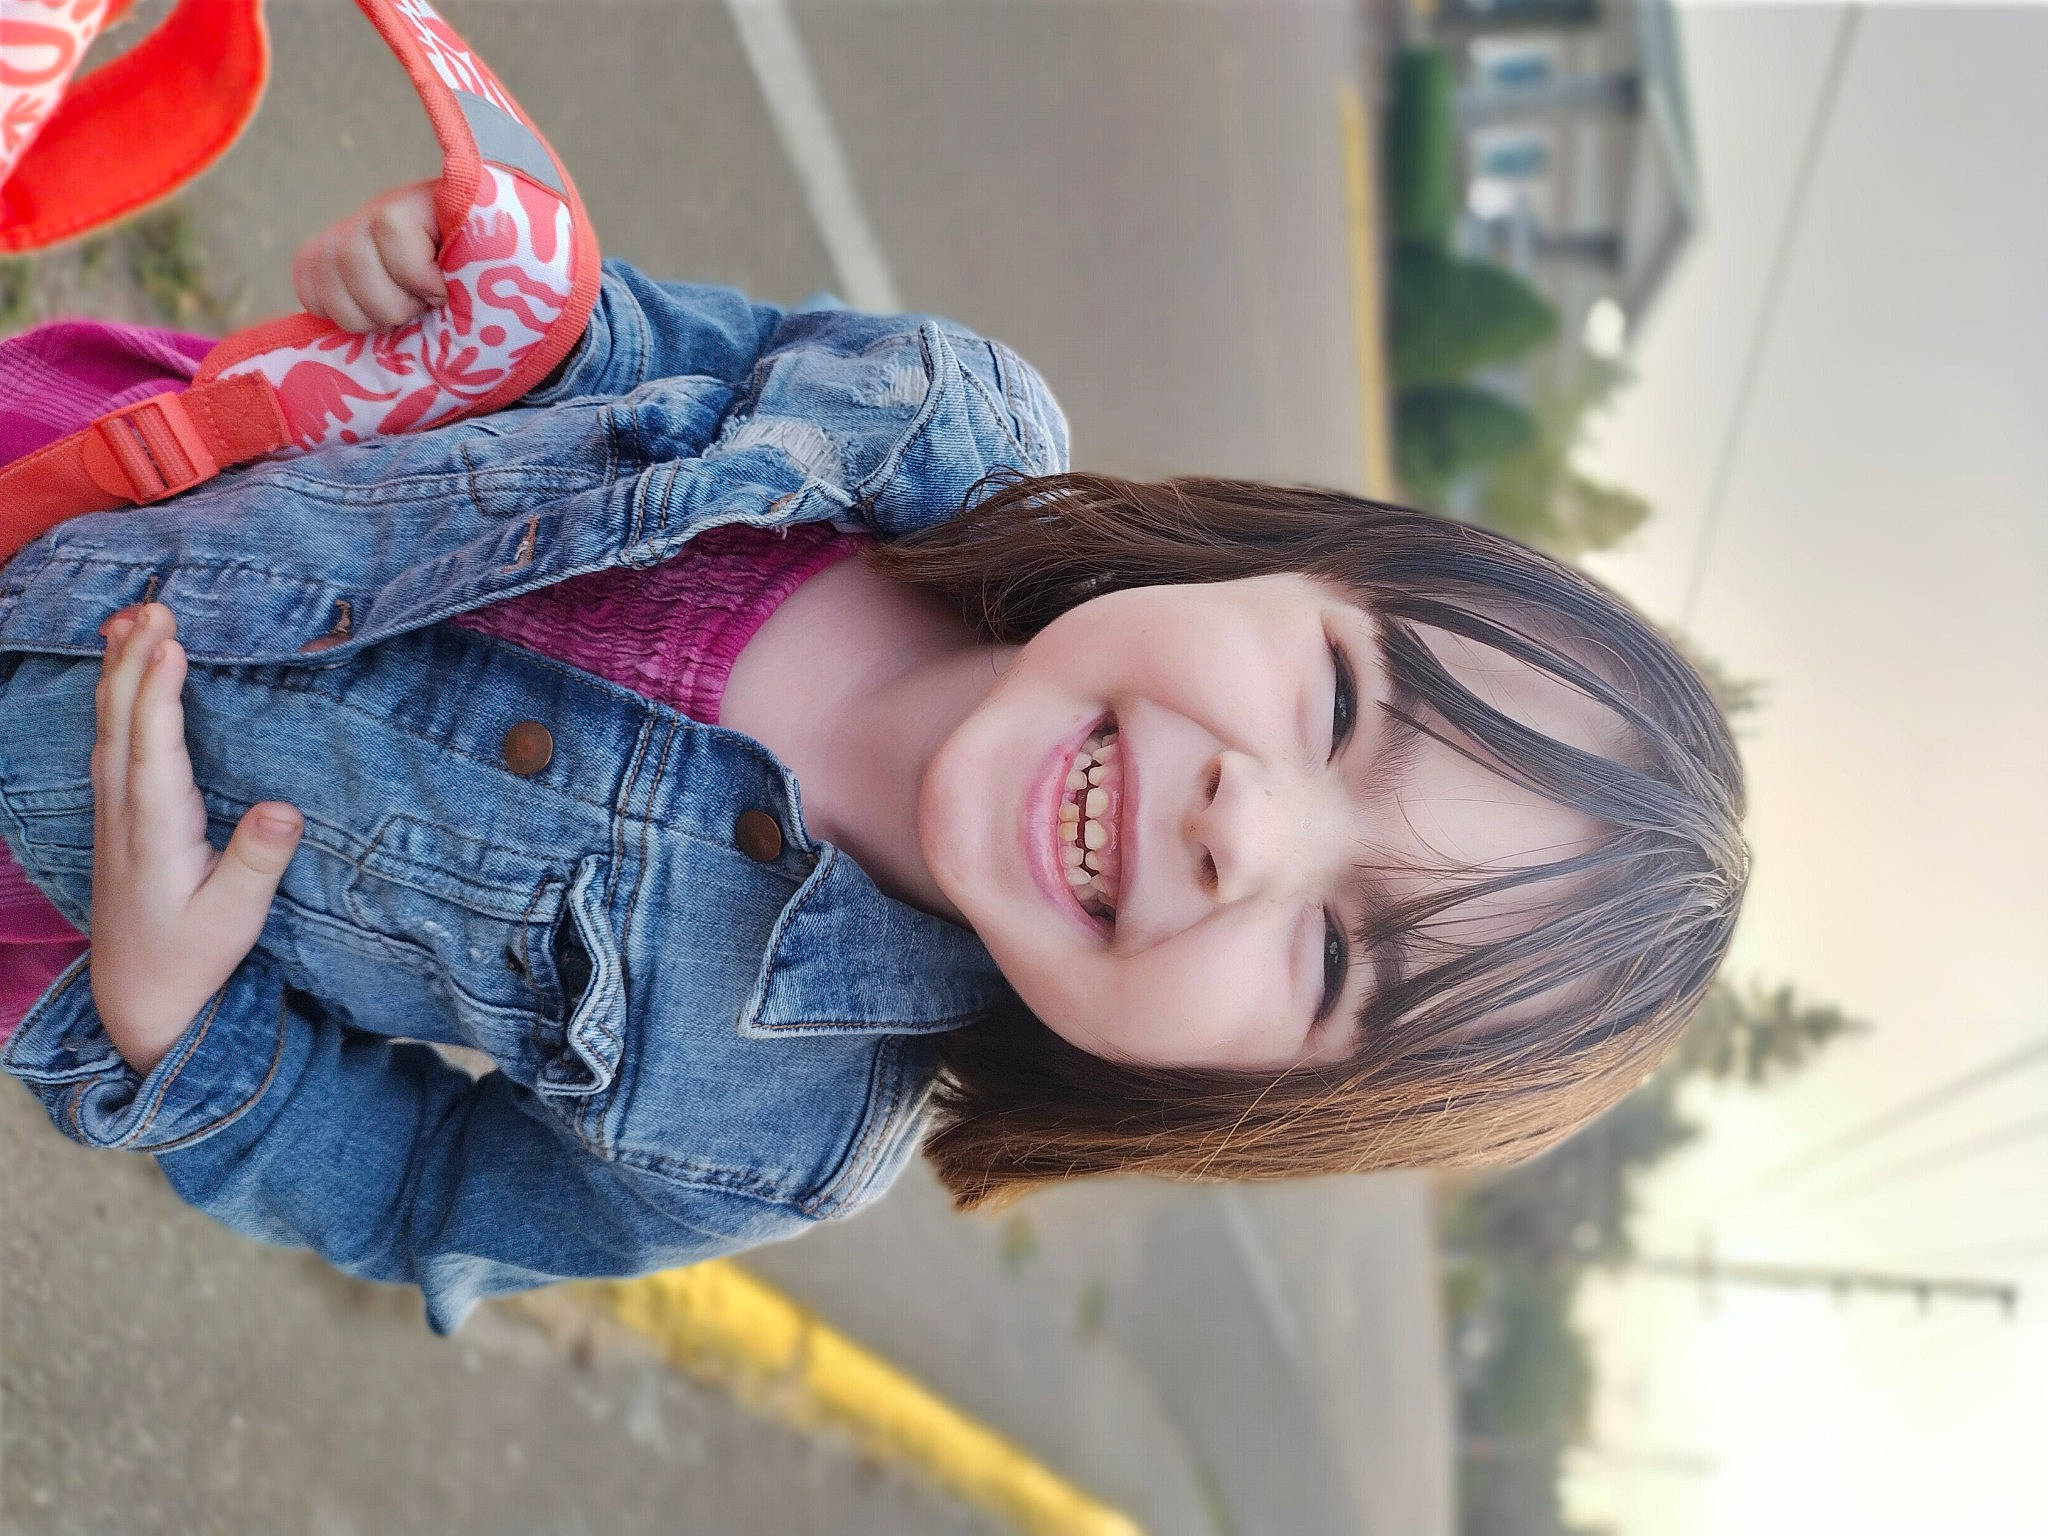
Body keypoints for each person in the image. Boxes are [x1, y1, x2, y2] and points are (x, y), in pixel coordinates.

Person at [0, 183, 1747, 1333]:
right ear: (1289, 563)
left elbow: (425, 1193)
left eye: (1331, 950)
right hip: (106, 464)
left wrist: (182, 1025)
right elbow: (612, 350)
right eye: (1347, 708)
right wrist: (465, 303)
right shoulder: (934, 420)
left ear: (1239, 1099)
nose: (1245, 828)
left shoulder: (774, 1128)